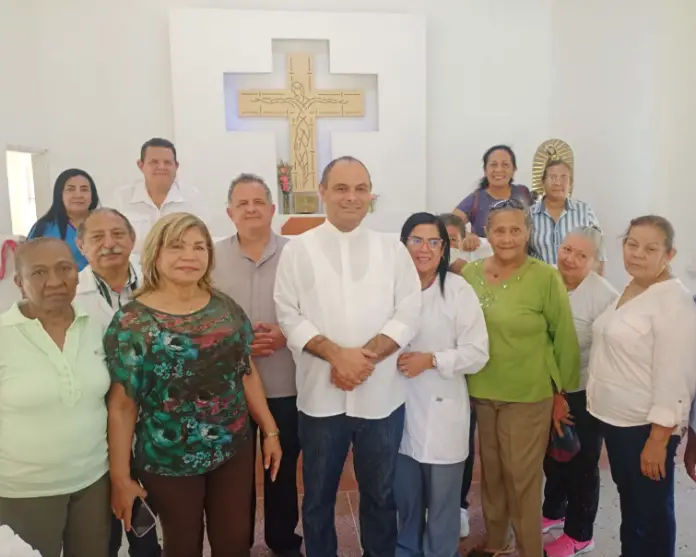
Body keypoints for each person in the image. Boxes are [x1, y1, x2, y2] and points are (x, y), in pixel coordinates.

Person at [105, 212, 282, 557]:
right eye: (177, 246)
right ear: (155, 253)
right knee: (182, 545)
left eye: (199, 247)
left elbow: (245, 371)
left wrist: (270, 432)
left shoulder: (225, 309)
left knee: (234, 542)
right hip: (168, 457)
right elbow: (123, 405)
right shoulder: (133, 322)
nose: (190, 255)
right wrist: (121, 477)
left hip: (232, 448)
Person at [274, 156, 422, 557]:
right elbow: (288, 314)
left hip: (381, 398)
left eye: (360, 189)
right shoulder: (298, 251)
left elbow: (409, 311)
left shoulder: (391, 250)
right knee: (319, 497)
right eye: (341, 188)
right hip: (321, 398)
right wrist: (337, 357)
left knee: (380, 495)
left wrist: (362, 360)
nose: (351, 197)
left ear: (370, 196)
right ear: (322, 192)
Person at [461, 198, 580, 557]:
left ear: (528, 232)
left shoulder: (545, 277)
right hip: (482, 389)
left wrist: (563, 395)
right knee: (493, 475)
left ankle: (530, 550)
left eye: (516, 230)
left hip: (529, 393)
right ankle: (497, 543)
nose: (508, 237)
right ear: (487, 233)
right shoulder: (470, 274)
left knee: (522, 479)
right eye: (500, 230)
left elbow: (565, 338)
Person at [586, 215, 696, 557]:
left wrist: (658, 439)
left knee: (651, 513)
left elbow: (676, 376)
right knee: (633, 505)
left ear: (669, 254)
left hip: (644, 427)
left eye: (650, 248)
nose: (637, 254)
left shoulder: (673, 302)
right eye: (631, 244)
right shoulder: (634, 287)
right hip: (617, 421)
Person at [0, 237, 111, 557]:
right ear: (19, 283)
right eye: (39, 272)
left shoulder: (96, 326)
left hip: (92, 482)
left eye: (65, 269)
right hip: (22, 490)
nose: (55, 281)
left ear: (78, 273)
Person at [212, 174, 302, 556]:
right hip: (229, 387)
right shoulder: (211, 257)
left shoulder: (298, 253)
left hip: (285, 382)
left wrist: (287, 333)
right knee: (234, 478)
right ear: (230, 212)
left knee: (281, 471)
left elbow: (317, 309)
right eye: (242, 203)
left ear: (271, 208)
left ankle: (283, 541)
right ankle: (237, 544)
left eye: (257, 202)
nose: (250, 209)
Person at [394, 212, 489, 557]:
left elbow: (478, 352)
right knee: (405, 505)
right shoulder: (389, 289)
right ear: (403, 244)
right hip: (398, 413)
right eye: (416, 240)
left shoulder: (458, 290)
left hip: (443, 414)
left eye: (434, 242)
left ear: (444, 248)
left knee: (444, 511)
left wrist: (431, 359)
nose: (424, 249)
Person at [73, 208, 162, 557]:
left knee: (148, 518)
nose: (109, 244)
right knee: (104, 526)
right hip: (97, 422)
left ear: (132, 239)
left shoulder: (157, 281)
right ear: (81, 246)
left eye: (117, 234)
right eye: (97, 237)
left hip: (153, 421)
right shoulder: (71, 294)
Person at [541, 227, 618, 557]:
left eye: (581, 255)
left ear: (595, 261)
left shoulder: (604, 297)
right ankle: (553, 509)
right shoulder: (546, 280)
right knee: (552, 455)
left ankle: (580, 533)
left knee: (581, 462)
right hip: (546, 385)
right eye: (566, 249)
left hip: (584, 390)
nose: (569, 259)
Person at [439, 210, 490, 536]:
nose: (445, 249)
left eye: (452, 241)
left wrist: (468, 253)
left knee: (462, 443)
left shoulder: (469, 277)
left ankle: (458, 505)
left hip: (463, 375)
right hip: (422, 380)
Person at [108, 138, 205, 254]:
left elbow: (203, 241)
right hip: (135, 269)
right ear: (141, 165)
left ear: (176, 166)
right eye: (154, 162)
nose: (161, 167)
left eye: (167, 162)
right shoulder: (121, 198)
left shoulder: (193, 198)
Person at [452, 145, 533, 253]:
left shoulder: (523, 193)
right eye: (493, 165)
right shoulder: (476, 199)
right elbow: (450, 223)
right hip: (487, 263)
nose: (499, 170)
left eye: (505, 165)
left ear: (513, 170)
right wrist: (467, 235)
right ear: (485, 170)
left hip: (522, 261)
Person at [529, 160, 605, 272]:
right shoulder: (530, 214)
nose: (558, 182)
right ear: (543, 181)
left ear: (570, 183)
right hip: (540, 282)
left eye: (563, 177)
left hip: (576, 283)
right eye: (552, 177)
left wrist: (595, 285)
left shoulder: (584, 210)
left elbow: (599, 253)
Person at [28, 168, 100, 270]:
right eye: (70, 189)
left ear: (92, 195)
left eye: (84, 189)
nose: (78, 195)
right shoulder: (43, 228)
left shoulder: (104, 222)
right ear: (60, 194)